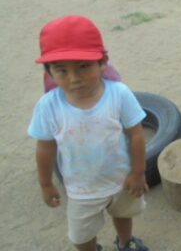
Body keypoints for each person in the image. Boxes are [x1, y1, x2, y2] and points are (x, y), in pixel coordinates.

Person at [28, 15, 150, 251]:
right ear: (49, 72)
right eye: (61, 70)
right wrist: (46, 184)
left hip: (121, 179)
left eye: (83, 66)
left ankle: (126, 242)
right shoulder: (48, 106)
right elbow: (45, 147)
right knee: (82, 236)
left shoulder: (119, 94)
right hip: (81, 190)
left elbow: (136, 133)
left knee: (123, 214)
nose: (74, 79)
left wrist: (138, 172)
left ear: (102, 62)